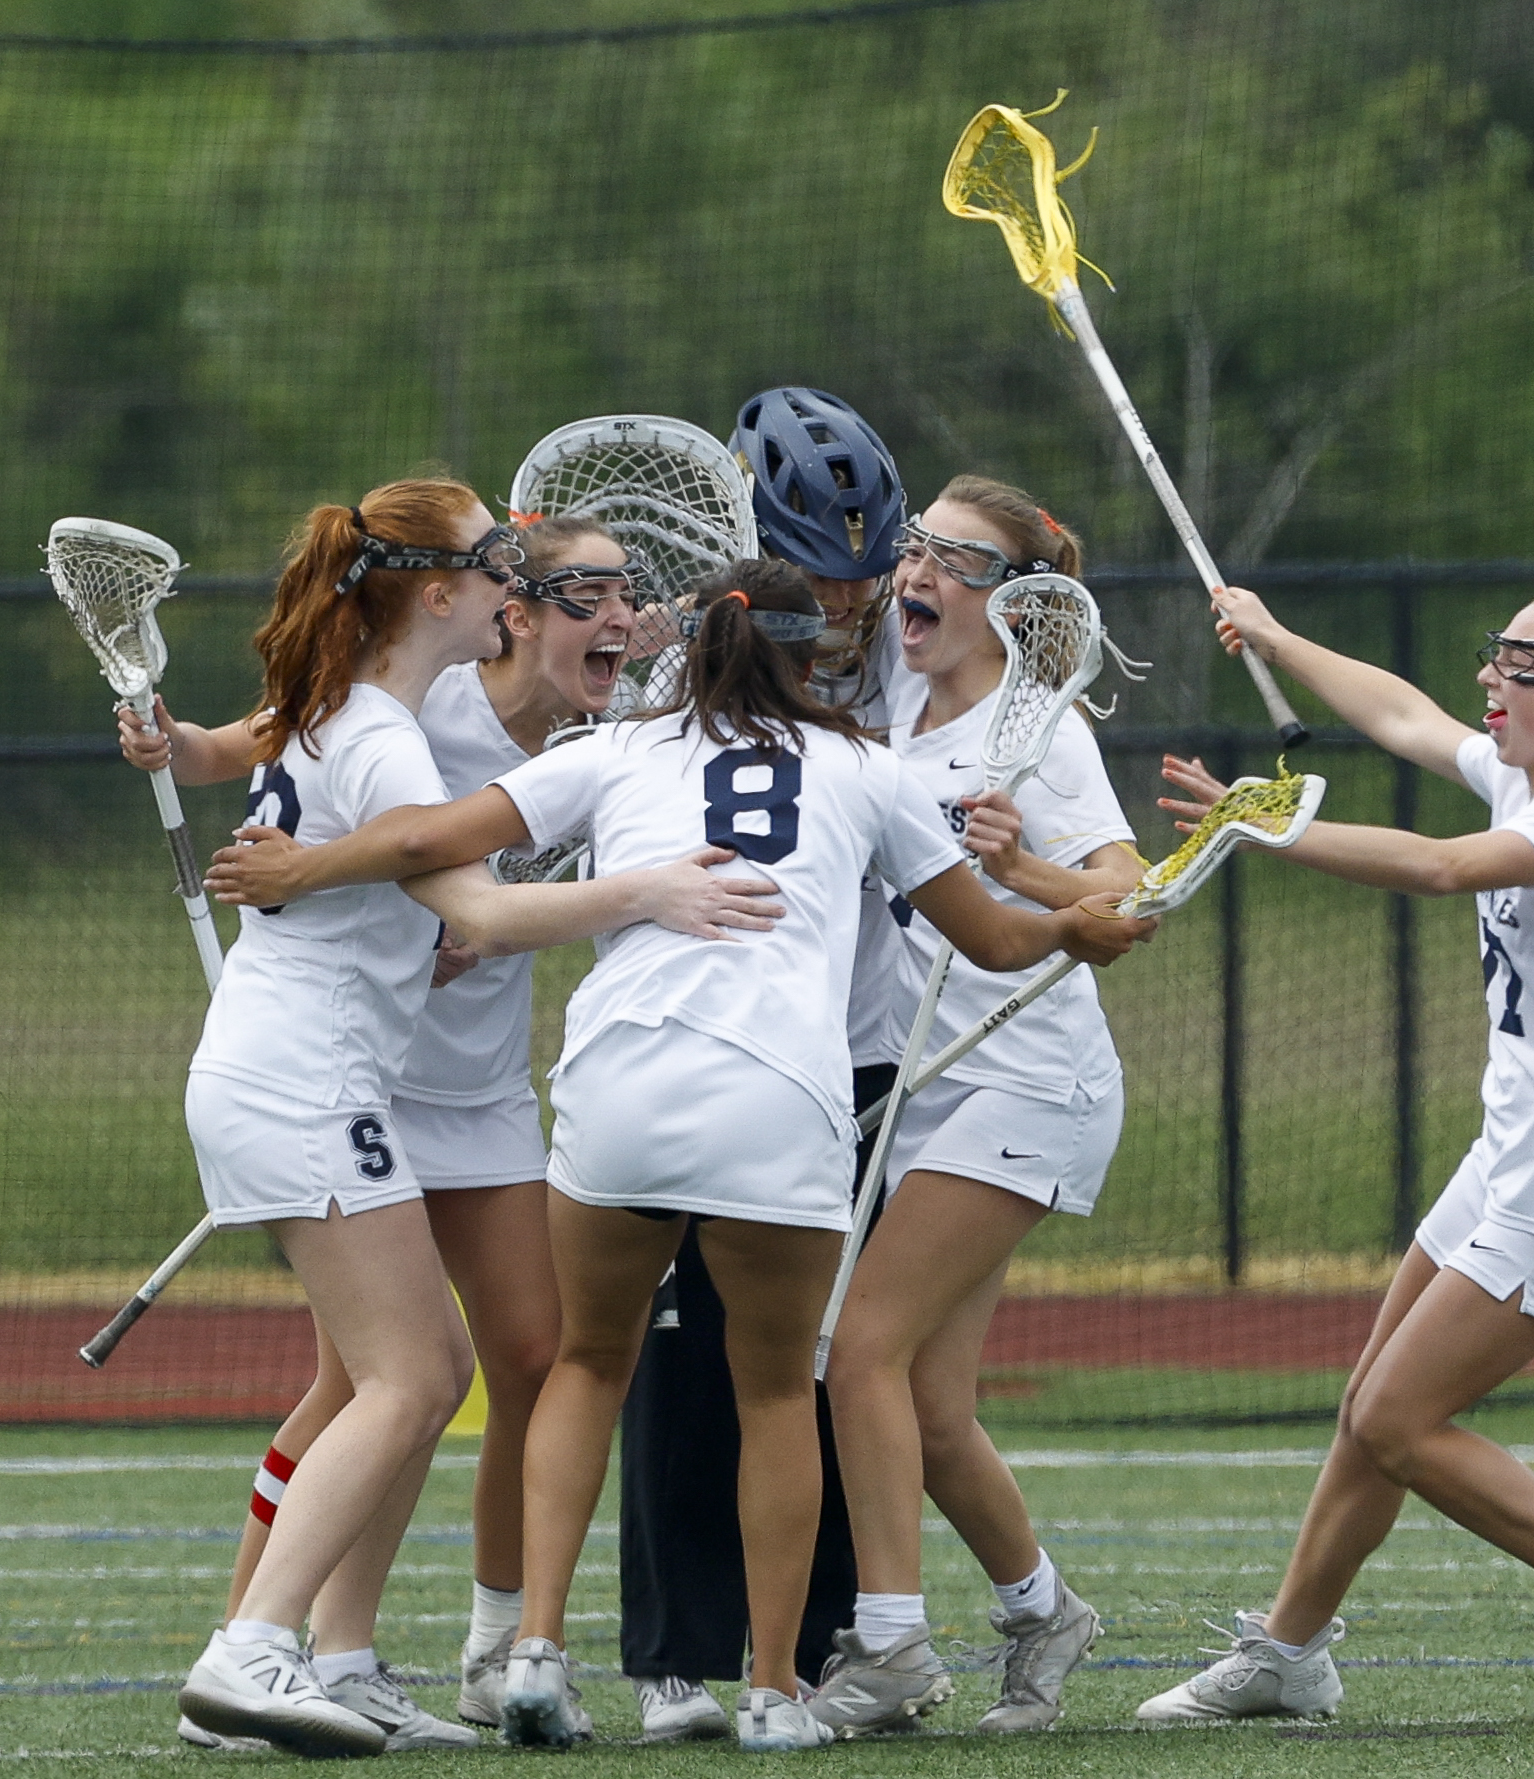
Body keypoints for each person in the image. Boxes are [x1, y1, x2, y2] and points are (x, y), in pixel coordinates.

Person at [199, 558, 1156, 1753]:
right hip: (780, 1102)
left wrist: (302, 865)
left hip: (622, 1093)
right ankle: (769, 1690)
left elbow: (426, 840)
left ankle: (534, 1654)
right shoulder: (868, 767)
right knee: (771, 1392)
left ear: (689, 649)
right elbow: (999, 940)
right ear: (814, 658)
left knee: (587, 1367)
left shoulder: (617, 752)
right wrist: (1073, 923)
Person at [1134, 546, 1534, 1728]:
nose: (1490, 677)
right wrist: (1275, 636)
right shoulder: (1524, 776)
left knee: (1398, 1420)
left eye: (1517, 661)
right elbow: (1400, 712)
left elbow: (1441, 869)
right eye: (1493, 651)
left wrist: (1265, 828)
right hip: (1514, 1151)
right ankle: (1288, 1655)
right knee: (1367, 1408)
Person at [171, 482, 778, 1759]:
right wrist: (650, 891)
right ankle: (254, 1648)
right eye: (503, 569)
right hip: (313, 1077)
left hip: (306, 1072)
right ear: (444, 596)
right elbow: (484, 914)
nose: (519, 589)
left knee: (412, 1372)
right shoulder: (393, 730)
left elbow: (422, 878)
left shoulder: (355, 699)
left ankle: (331, 1656)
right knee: (412, 1374)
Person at [810, 477, 1143, 1738]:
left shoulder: (1038, 732)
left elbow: (1126, 899)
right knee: (932, 1411)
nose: (922, 571)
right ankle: (1042, 1609)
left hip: (1030, 1078)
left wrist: (1020, 866)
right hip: (931, 1090)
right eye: (918, 548)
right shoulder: (895, 709)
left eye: (960, 557)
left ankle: (892, 1645)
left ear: (1012, 602)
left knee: (858, 1350)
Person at [613, 387, 911, 1742]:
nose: (852, 605)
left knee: (818, 1359)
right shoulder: (691, 663)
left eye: (872, 573)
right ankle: (675, 1648)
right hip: (706, 1042)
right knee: (679, 1358)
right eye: (828, 576)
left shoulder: (908, 655)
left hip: (854, 1058)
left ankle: (824, 1634)